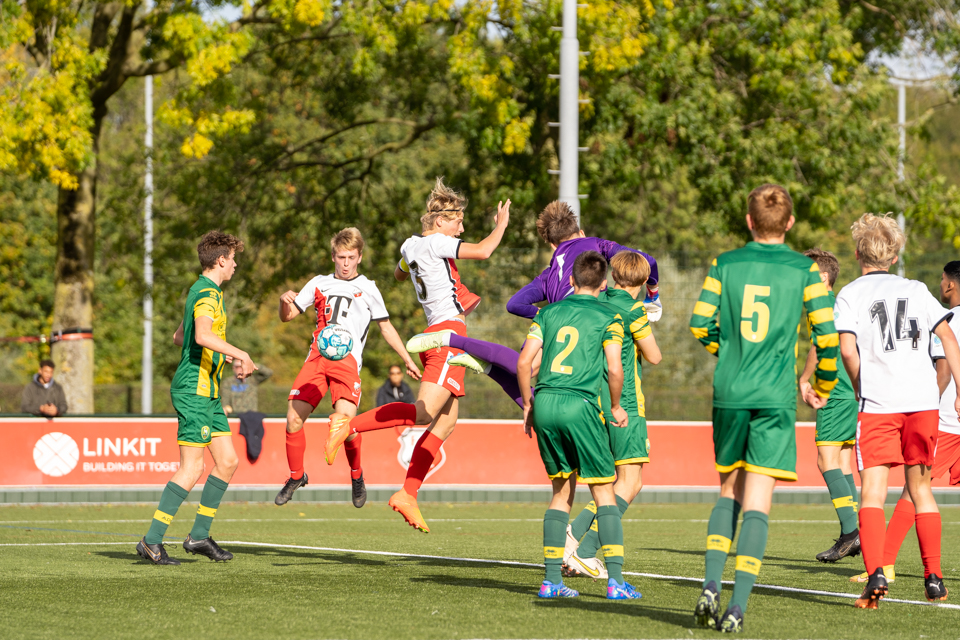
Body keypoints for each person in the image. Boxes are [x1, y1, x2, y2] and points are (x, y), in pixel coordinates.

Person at [689, 184, 839, 632]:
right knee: (758, 500)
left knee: (727, 490)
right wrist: (822, 384)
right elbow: (827, 338)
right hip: (775, 396)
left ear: (750, 221)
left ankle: (710, 583)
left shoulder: (725, 263)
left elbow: (699, 324)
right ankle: (735, 609)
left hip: (730, 390)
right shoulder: (806, 271)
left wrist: (730, 350)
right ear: (789, 223)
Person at [324, 178, 511, 533]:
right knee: (424, 414)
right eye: (458, 221)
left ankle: (408, 494)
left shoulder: (411, 246)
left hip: (435, 334)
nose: (462, 228)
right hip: (448, 336)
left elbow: (398, 273)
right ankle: (347, 425)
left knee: (447, 421)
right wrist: (500, 225)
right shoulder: (440, 242)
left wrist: (415, 267)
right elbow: (485, 251)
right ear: (440, 222)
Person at [405, 200, 660, 409]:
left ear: (551, 245)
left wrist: (544, 313)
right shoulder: (596, 245)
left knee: (525, 369)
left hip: (552, 319)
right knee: (546, 373)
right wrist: (653, 294)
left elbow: (514, 304)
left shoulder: (550, 271)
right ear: (581, 232)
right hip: (577, 318)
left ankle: (488, 366)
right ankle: (459, 344)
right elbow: (645, 261)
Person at [833, 215, 960, 607]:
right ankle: (934, 578)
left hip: (880, 405)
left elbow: (848, 350)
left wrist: (859, 385)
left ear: (857, 253)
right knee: (920, 490)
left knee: (872, 492)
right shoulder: (918, 289)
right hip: (923, 404)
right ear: (895, 253)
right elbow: (946, 336)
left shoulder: (850, 294)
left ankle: (876, 576)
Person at [517, 251, 641, 600]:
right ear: (604, 284)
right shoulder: (610, 316)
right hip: (580, 404)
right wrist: (616, 406)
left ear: (570, 281)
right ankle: (616, 582)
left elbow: (525, 361)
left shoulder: (548, 313)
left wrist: (528, 403)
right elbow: (615, 369)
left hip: (545, 401)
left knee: (561, 492)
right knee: (604, 490)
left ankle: (552, 581)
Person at [276, 227, 421, 509]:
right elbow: (288, 316)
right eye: (340, 257)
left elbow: (386, 327)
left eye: (350, 257)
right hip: (316, 359)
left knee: (344, 424)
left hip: (347, 364)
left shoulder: (368, 287)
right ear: (333, 256)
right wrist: (283, 303)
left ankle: (356, 475)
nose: (345, 263)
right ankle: (296, 476)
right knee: (293, 418)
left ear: (360, 257)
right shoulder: (318, 283)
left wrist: (406, 358)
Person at [136, 231, 258, 566]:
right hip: (194, 390)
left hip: (209, 391)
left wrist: (220, 356)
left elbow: (182, 336)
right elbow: (202, 335)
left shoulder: (204, 292)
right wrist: (240, 353)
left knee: (228, 461)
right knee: (192, 468)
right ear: (221, 260)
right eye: (233, 259)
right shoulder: (206, 293)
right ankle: (151, 542)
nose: (235, 264)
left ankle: (199, 536)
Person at [562, 251, 662, 579]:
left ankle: (573, 536)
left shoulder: (598, 300)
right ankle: (585, 548)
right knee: (630, 482)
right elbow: (655, 355)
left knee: (609, 482)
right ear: (643, 281)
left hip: (593, 402)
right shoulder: (632, 309)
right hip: (626, 404)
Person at [797, 249, 861, 563]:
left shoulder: (824, 305)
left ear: (823, 278)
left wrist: (805, 378)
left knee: (826, 461)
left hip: (833, 391)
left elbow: (822, 343)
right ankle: (855, 530)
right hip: (852, 392)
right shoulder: (841, 304)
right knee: (843, 463)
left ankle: (851, 533)